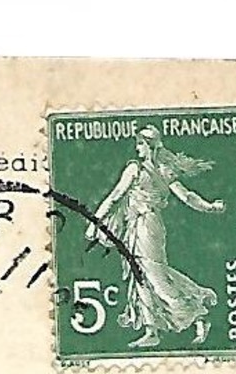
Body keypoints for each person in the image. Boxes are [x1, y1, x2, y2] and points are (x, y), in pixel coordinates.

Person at [86, 125, 226, 349]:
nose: (137, 148)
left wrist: (95, 221)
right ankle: (151, 331)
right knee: (141, 275)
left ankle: (198, 314)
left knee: (156, 277)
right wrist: (209, 207)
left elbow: (114, 198)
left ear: (149, 146)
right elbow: (187, 196)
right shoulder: (158, 169)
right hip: (137, 225)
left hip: (147, 227)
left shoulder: (144, 169)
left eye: (140, 144)